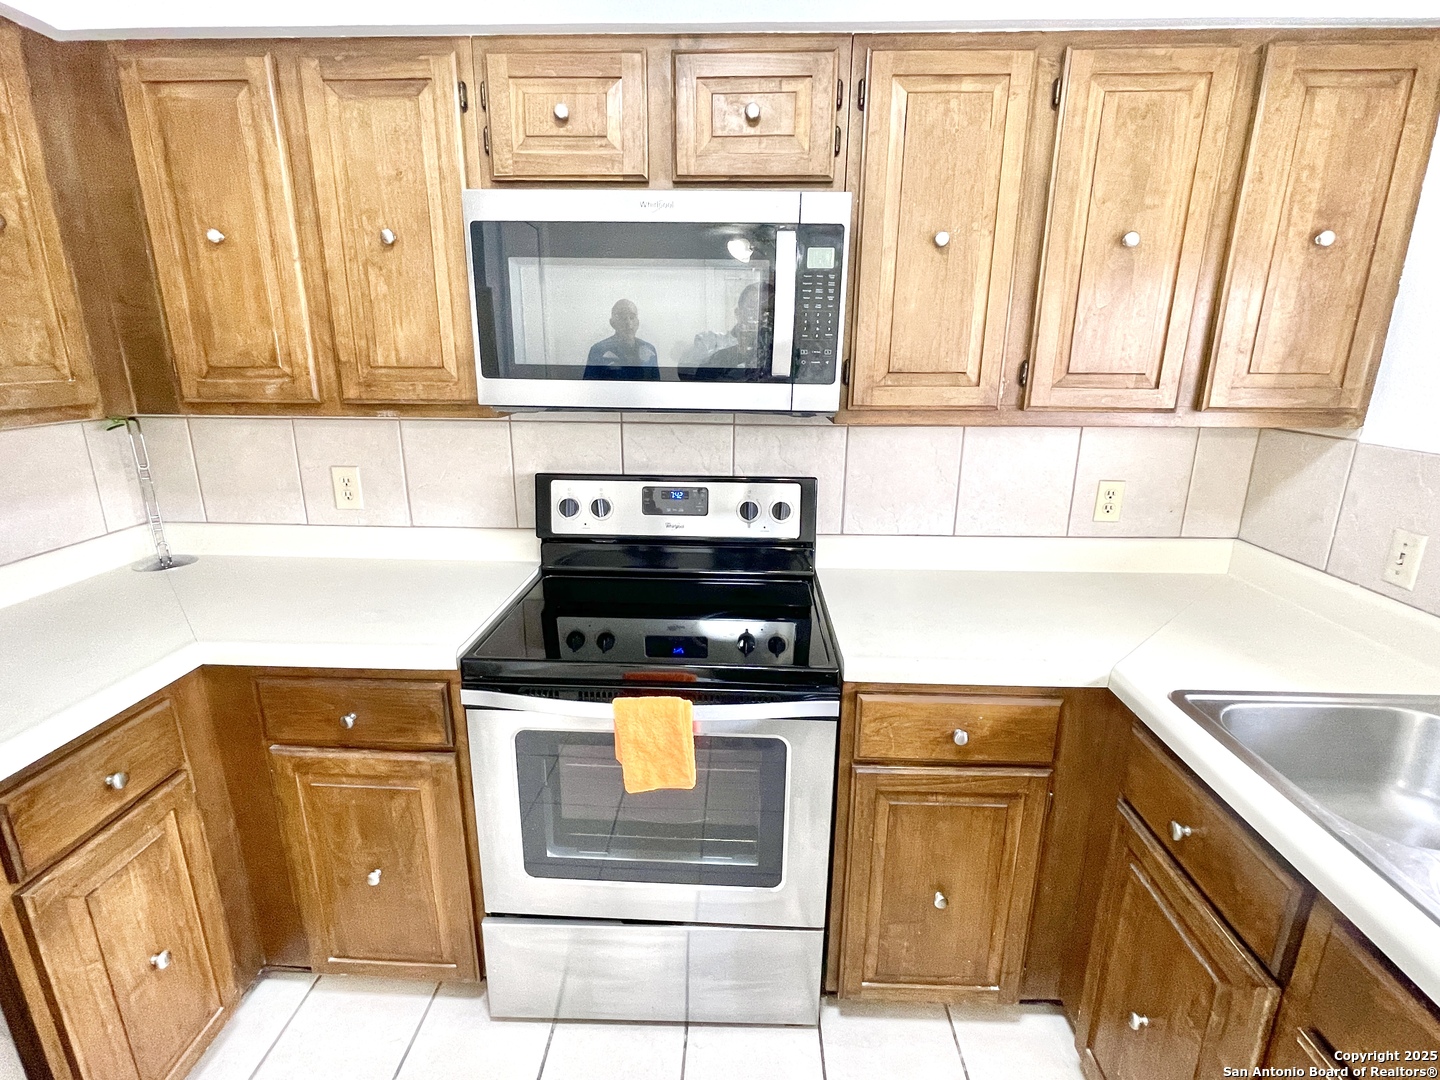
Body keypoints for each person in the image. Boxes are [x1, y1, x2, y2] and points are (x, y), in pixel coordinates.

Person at [584, 299, 659, 381]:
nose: (628, 323)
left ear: (638, 322)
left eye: (632, 317)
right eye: (623, 318)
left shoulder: (649, 349)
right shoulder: (598, 350)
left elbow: (655, 386)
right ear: (612, 323)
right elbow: (590, 386)